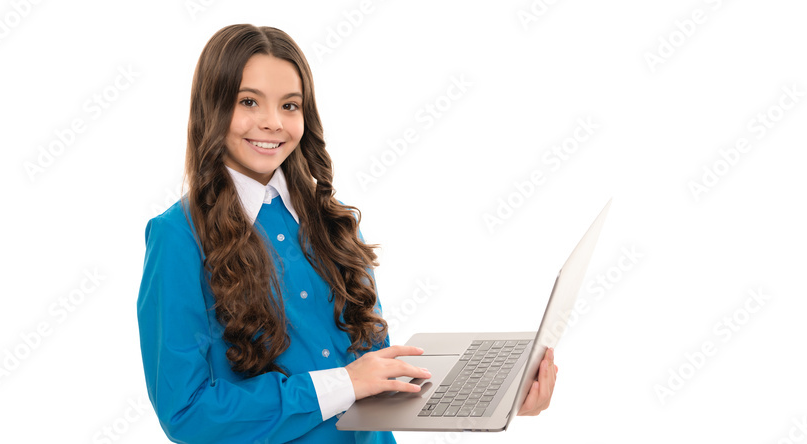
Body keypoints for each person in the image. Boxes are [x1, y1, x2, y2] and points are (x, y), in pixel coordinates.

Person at [136, 24, 557, 443]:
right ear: (212, 106)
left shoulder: (328, 220)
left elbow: (373, 376)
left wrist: (491, 403)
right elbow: (186, 412)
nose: (272, 123)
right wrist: (345, 384)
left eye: (290, 105)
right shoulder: (176, 236)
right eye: (249, 101)